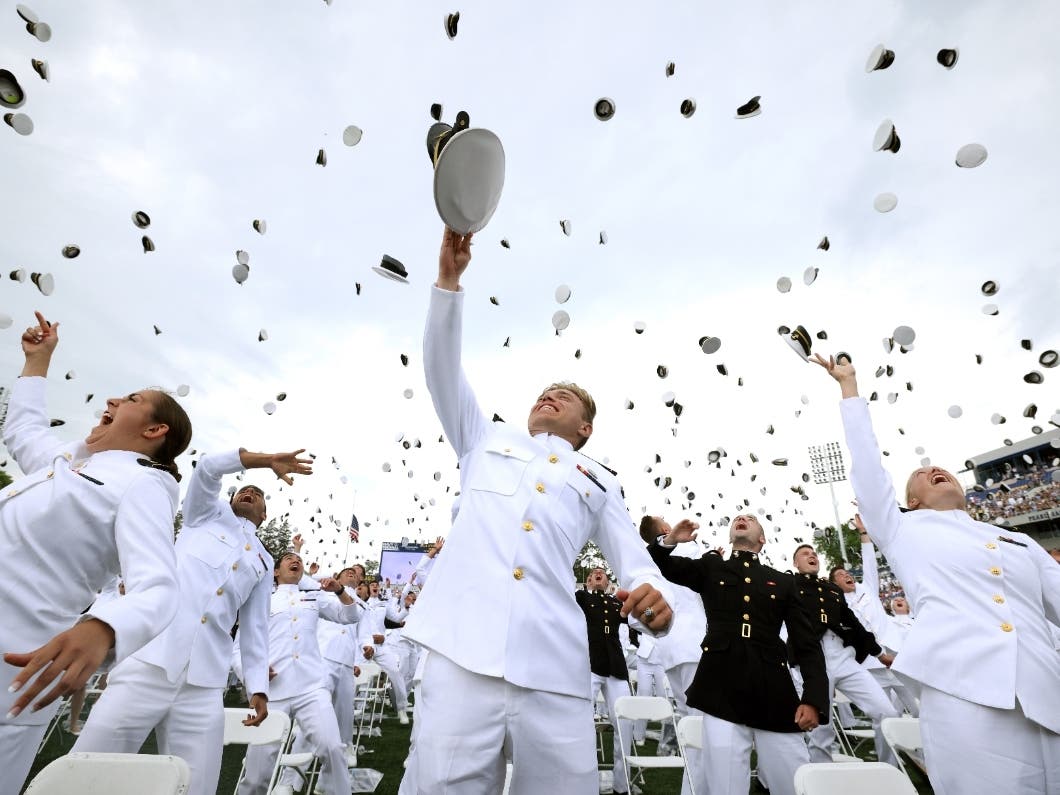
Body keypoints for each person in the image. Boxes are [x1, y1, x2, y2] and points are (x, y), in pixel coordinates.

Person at [400, 228, 675, 794]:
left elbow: (634, 557)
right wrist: (448, 283)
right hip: (461, 655)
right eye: (545, 392)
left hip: (553, 665)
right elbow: (442, 373)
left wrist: (652, 590)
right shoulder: (483, 438)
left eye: (566, 397)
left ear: (585, 427)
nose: (549, 396)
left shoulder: (599, 479)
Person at [814, 352, 1060, 794]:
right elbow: (869, 474)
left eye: (939, 468)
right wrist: (850, 390)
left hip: (1048, 697)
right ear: (912, 501)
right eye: (922, 475)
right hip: (964, 695)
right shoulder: (903, 529)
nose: (934, 469)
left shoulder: (1020, 542)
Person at [0, 312, 190, 794]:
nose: (110, 400)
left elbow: (160, 586)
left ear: (154, 432)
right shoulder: (71, 461)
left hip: (15, 664)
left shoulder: (143, 484)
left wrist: (103, 629)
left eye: (131, 400)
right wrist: (38, 361)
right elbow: (23, 430)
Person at [74, 447, 313, 795]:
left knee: (197, 784)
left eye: (258, 496)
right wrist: (261, 461)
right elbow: (209, 469)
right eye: (244, 490)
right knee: (87, 771)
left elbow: (255, 629)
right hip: (149, 662)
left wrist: (257, 687)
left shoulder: (264, 561)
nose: (250, 493)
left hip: (204, 686)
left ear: (264, 513)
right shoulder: (205, 514)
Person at [648, 515, 828, 795]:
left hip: (774, 692)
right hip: (721, 688)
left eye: (751, 519)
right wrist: (670, 541)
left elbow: (807, 646)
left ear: (762, 539)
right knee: (726, 786)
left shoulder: (782, 582)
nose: (742, 518)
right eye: (737, 519)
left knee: (793, 782)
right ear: (731, 536)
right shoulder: (711, 568)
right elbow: (660, 566)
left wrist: (814, 699)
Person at [234, 552, 358, 795]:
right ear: (276, 572)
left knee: (333, 749)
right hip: (272, 691)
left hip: (311, 687)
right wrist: (252, 675)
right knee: (258, 772)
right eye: (289, 558)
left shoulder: (313, 598)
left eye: (299, 560)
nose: (296, 561)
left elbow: (350, 616)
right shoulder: (261, 599)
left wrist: (340, 590)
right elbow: (239, 647)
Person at [790, 544, 900, 766]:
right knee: (821, 731)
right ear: (795, 563)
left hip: (843, 656)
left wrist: (879, 653)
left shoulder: (832, 590)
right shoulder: (789, 584)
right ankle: (822, 784)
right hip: (812, 660)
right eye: (804, 554)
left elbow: (854, 624)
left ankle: (888, 771)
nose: (811, 555)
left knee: (888, 713)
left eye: (814, 553)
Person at [637, 516, 707, 794]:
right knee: (701, 728)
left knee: (691, 722)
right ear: (666, 531)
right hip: (693, 645)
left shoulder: (651, 559)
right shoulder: (687, 549)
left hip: (672, 649)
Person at [831, 515, 920, 717]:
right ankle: (891, 749)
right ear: (835, 584)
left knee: (919, 709)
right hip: (872, 664)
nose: (847, 576)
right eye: (840, 576)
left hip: (897, 656)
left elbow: (869, 563)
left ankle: (928, 749)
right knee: (885, 717)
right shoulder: (838, 605)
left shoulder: (867, 589)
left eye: (847, 574)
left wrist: (864, 533)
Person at [575, 568, 634, 795]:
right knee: (581, 722)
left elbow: (642, 616)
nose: (599, 573)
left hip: (616, 667)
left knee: (624, 723)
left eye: (602, 572)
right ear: (588, 581)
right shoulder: (581, 598)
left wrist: (644, 606)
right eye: (594, 573)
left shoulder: (617, 602)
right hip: (589, 665)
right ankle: (583, 782)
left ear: (607, 580)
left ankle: (622, 786)